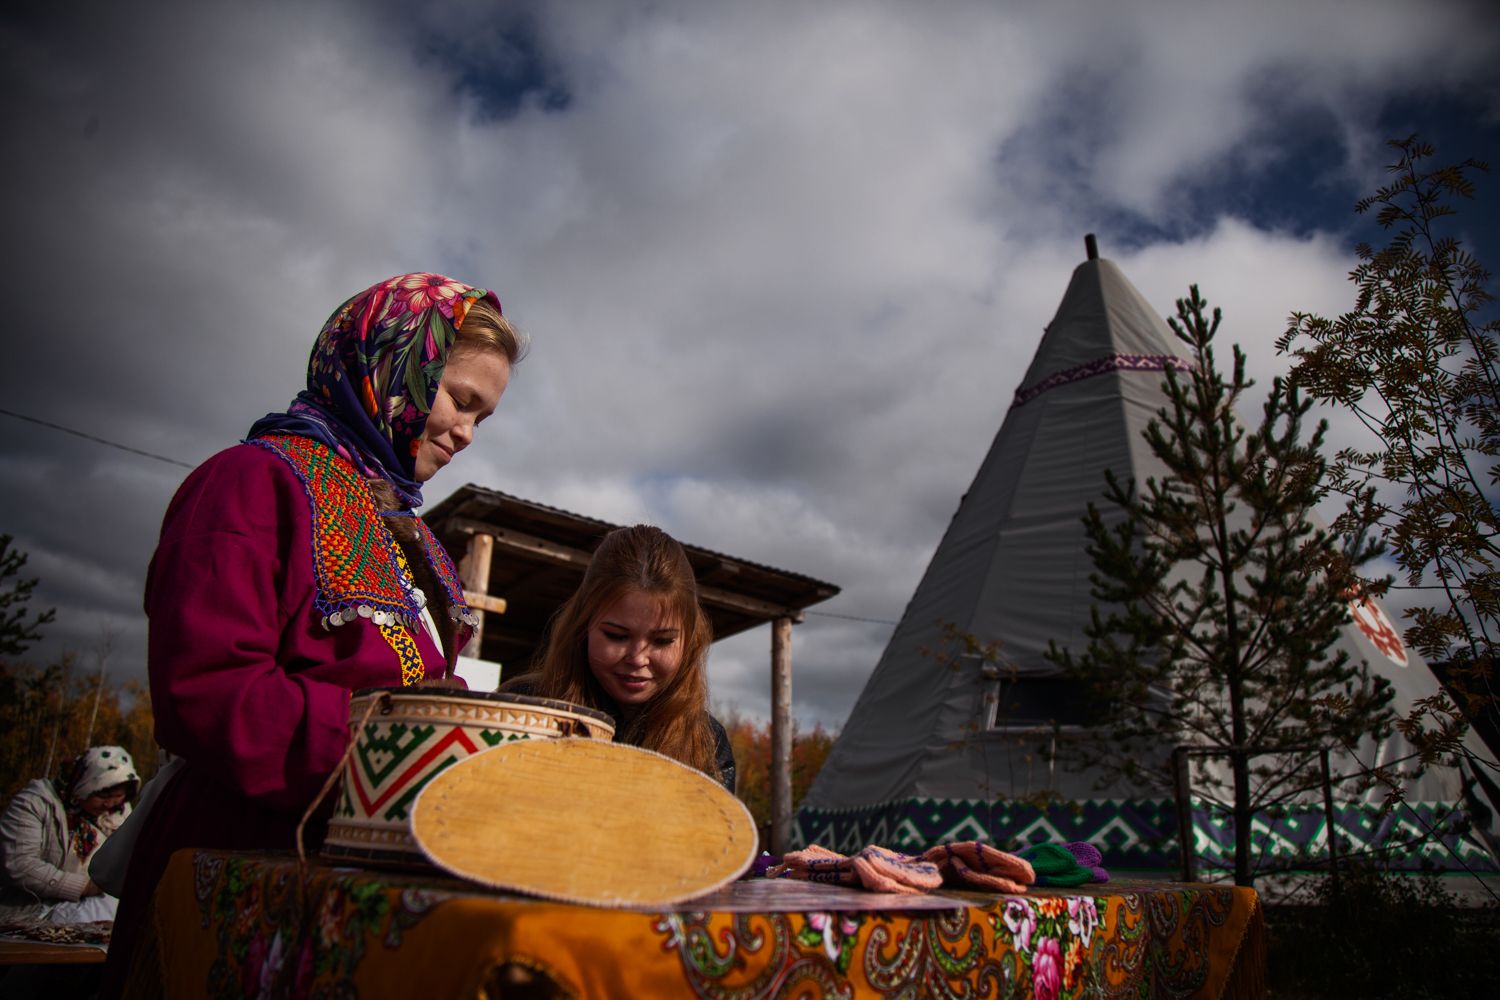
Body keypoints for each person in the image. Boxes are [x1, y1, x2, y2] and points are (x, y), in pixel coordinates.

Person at [97, 273, 522, 997]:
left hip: (359, 879)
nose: (466, 433)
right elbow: (207, 692)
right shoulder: (248, 483)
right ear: (393, 369)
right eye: (459, 400)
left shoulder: (407, 537)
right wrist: (400, 750)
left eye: (484, 417)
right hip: (240, 860)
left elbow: (418, 689)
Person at [503, 525, 736, 793]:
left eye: (662, 641)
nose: (637, 659)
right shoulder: (521, 708)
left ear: (690, 641)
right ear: (582, 626)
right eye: (616, 636)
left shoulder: (708, 743)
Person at [0, 746, 138, 924]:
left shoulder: (116, 813)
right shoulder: (34, 803)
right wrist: (85, 887)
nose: (109, 804)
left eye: (118, 796)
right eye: (104, 795)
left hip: (94, 904)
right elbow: (20, 864)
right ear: (87, 785)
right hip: (31, 909)